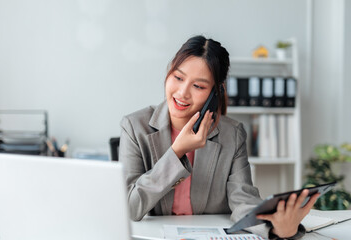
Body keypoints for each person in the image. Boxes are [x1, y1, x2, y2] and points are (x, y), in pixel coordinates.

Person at [119, 35, 319, 239]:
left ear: (214, 93)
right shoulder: (135, 126)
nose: (182, 93)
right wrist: (176, 151)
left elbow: (243, 201)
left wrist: (276, 228)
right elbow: (130, 207)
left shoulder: (232, 134)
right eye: (178, 78)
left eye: (199, 86)